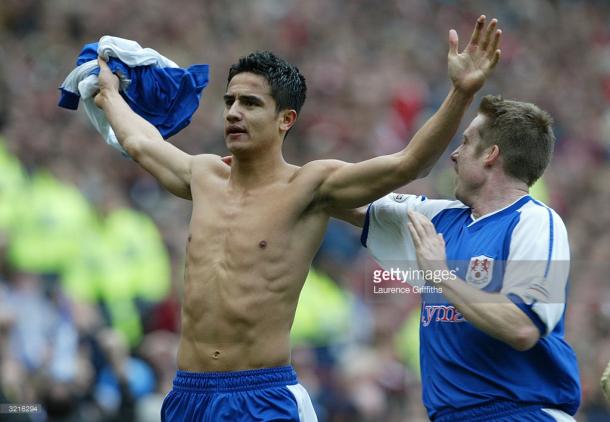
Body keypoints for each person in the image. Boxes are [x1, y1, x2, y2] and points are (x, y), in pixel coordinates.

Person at [93, 15, 501, 421]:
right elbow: (139, 141)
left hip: (262, 396)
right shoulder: (203, 175)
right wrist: (109, 92)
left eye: (251, 103)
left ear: (286, 119)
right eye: (230, 101)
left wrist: (462, 91)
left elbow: (408, 164)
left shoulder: (311, 187)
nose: (234, 112)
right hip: (188, 395)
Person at [346, 95, 581, 421]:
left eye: (466, 142)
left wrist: (441, 275)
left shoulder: (534, 221)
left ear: (491, 154)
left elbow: (522, 327)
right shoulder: (439, 219)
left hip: (520, 414)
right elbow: (340, 198)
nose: (454, 155)